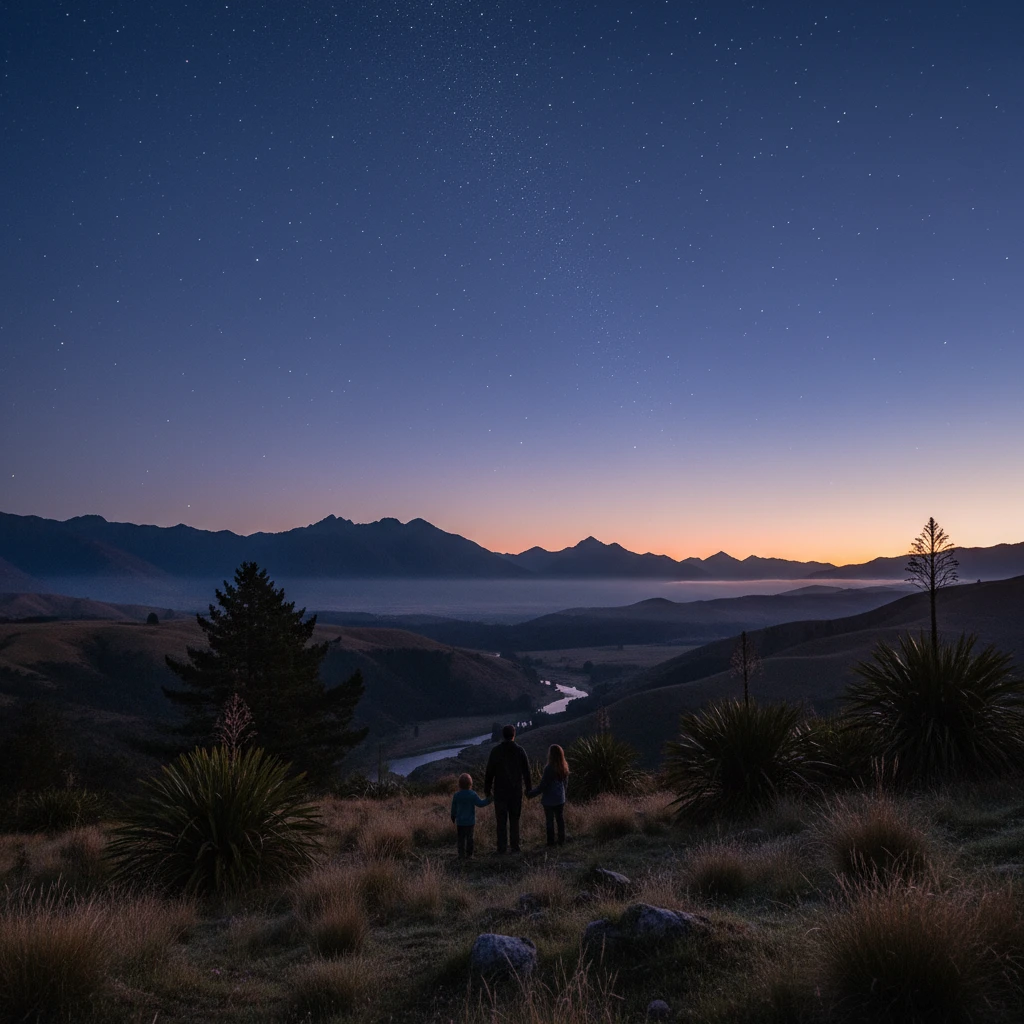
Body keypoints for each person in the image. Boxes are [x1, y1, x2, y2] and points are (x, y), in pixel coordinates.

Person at [484, 724, 532, 853]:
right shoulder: (520, 750)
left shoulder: (495, 751)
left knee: (501, 821)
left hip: (500, 792)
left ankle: (502, 848)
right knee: (514, 820)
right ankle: (515, 847)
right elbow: (527, 772)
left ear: (502, 735)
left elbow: (489, 773)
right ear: (514, 735)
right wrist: (529, 789)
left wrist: (487, 791)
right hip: (516, 792)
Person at [528, 743, 569, 846]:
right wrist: (563, 795)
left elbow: (543, 786)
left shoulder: (549, 768)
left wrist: (531, 794)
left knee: (549, 821)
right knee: (560, 819)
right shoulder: (564, 766)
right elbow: (565, 784)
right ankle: (561, 840)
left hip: (549, 800)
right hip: (560, 798)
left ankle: (551, 842)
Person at [450, 772, 491, 859]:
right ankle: (469, 855)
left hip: (460, 822)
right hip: (470, 822)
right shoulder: (472, 794)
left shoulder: (456, 795)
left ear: (459, 784)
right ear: (470, 784)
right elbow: (480, 804)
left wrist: (453, 816)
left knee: (461, 839)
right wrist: (489, 800)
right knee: (470, 839)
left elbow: (453, 808)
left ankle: (461, 855)